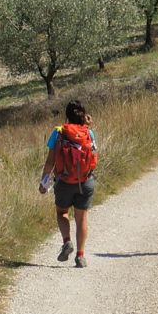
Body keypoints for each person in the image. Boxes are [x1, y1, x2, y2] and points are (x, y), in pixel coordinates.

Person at [41, 100, 99, 268]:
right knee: (81, 218)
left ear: (66, 116)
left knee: (62, 213)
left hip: (64, 181)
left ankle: (67, 242)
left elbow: (50, 162)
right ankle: (80, 256)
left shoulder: (58, 132)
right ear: (83, 115)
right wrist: (89, 125)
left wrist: (44, 183)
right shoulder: (89, 132)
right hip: (85, 181)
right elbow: (94, 156)